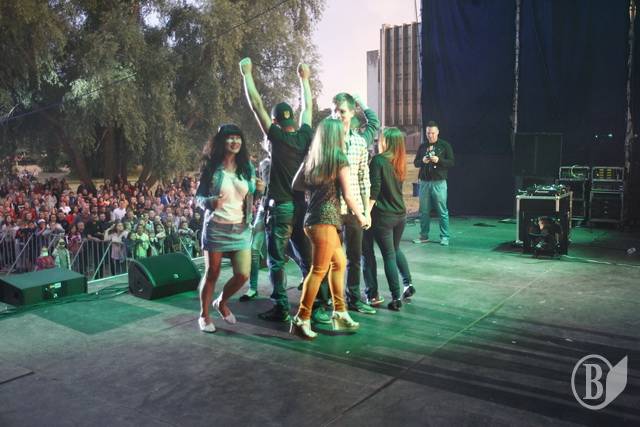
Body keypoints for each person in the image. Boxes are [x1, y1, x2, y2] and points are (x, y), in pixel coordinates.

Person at [240, 57, 316, 323]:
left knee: (276, 260)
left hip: (280, 207)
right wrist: (304, 79)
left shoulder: (276, 137)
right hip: (302, 206)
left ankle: (281, 307)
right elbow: (308, 107)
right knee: (307, 259)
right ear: (292, 119)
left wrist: (247, 74)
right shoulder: (304, 136)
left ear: (274, 121)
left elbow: (256, 104)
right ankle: (316, 302)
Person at [290, 118, 367, 339]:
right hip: (325, 220)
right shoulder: (339, 159)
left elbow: (295, 184)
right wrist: (361, 215)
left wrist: (316, 187)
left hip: (314, 219)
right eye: (342, 133)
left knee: (339, 263)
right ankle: (301, 318)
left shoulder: (313, 159)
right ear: (336, 136)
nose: (345, 135)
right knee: (318, 270)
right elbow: (349, 195)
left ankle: (340, 313)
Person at [195, 123, 264, 333]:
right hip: (216, 228)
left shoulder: (247, 167)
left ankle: (221, 302)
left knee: (243, 274)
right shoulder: (211, 167)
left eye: (238, 138)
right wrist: (209, 202)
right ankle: (204, 315)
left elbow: (250, 195)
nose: (235, 141)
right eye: (230, 138)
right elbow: (198, 197)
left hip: (241, 228)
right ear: (222, 141)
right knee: (212, 273)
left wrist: (259, 190)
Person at [331, 93, 376, 314]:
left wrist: (366, 211)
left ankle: (354, 299)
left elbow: (363, 178)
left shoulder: (359, 142)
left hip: (355, 209)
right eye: (334, 111)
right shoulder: (326, 141)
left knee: (355, 258)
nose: (337, 115)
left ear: (351, 113)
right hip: (331, 209)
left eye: (342, 111)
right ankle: (332, 300)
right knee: (332, 259)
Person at [362, 128, 415, 311]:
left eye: (381, 139)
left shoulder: (379, 160)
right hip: (400, 214)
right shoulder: (399, 161)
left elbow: (374, 190)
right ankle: (408, 284)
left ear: (386, 142)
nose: (379, 141)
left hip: (384, 216)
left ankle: (395, 297)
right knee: (396, 249)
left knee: (389, 256)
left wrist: (366, 213)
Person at [413, 121, 455, 246]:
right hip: (424, 182)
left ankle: (445, 237)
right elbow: (416, 163)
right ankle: (424, 236)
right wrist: (423, 160)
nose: (430, 135)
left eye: (432, 133)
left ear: (437, 132)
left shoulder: (444, 145)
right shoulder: (422, 146)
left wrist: (439, 160)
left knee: (442, 211)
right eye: (428, 133)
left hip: (439, 182)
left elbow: (451, 162)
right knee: (424, 211)